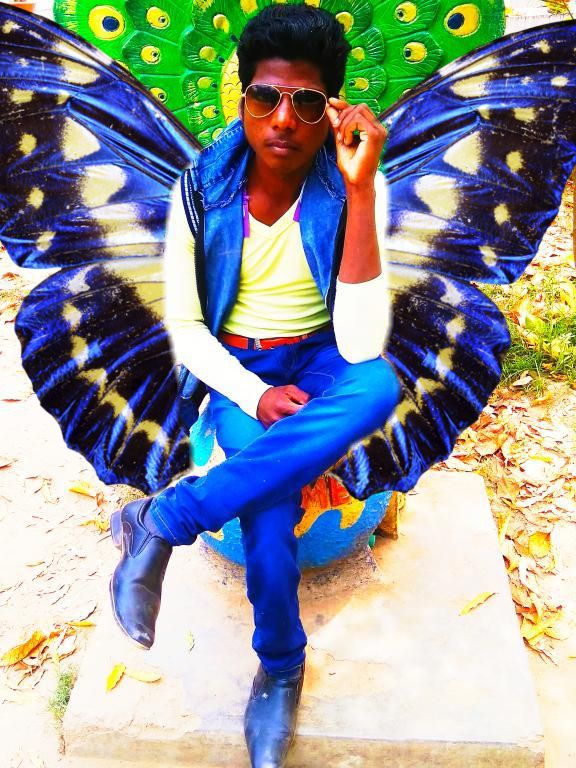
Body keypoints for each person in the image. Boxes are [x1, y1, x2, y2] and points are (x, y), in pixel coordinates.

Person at [109, 5, 400, 766]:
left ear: (331, 109)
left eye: (307, 102)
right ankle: (281, 666)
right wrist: (252, 394)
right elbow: (185, 328)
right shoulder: (200, 190)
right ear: (242, 99)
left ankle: (165, 517)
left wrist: (360, 193)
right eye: (265, 97)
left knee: (375, 386)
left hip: (324, 357)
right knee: (269, 522)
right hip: (241, 364)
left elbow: (360, 343)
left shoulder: (351, 185)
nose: (283, 120)